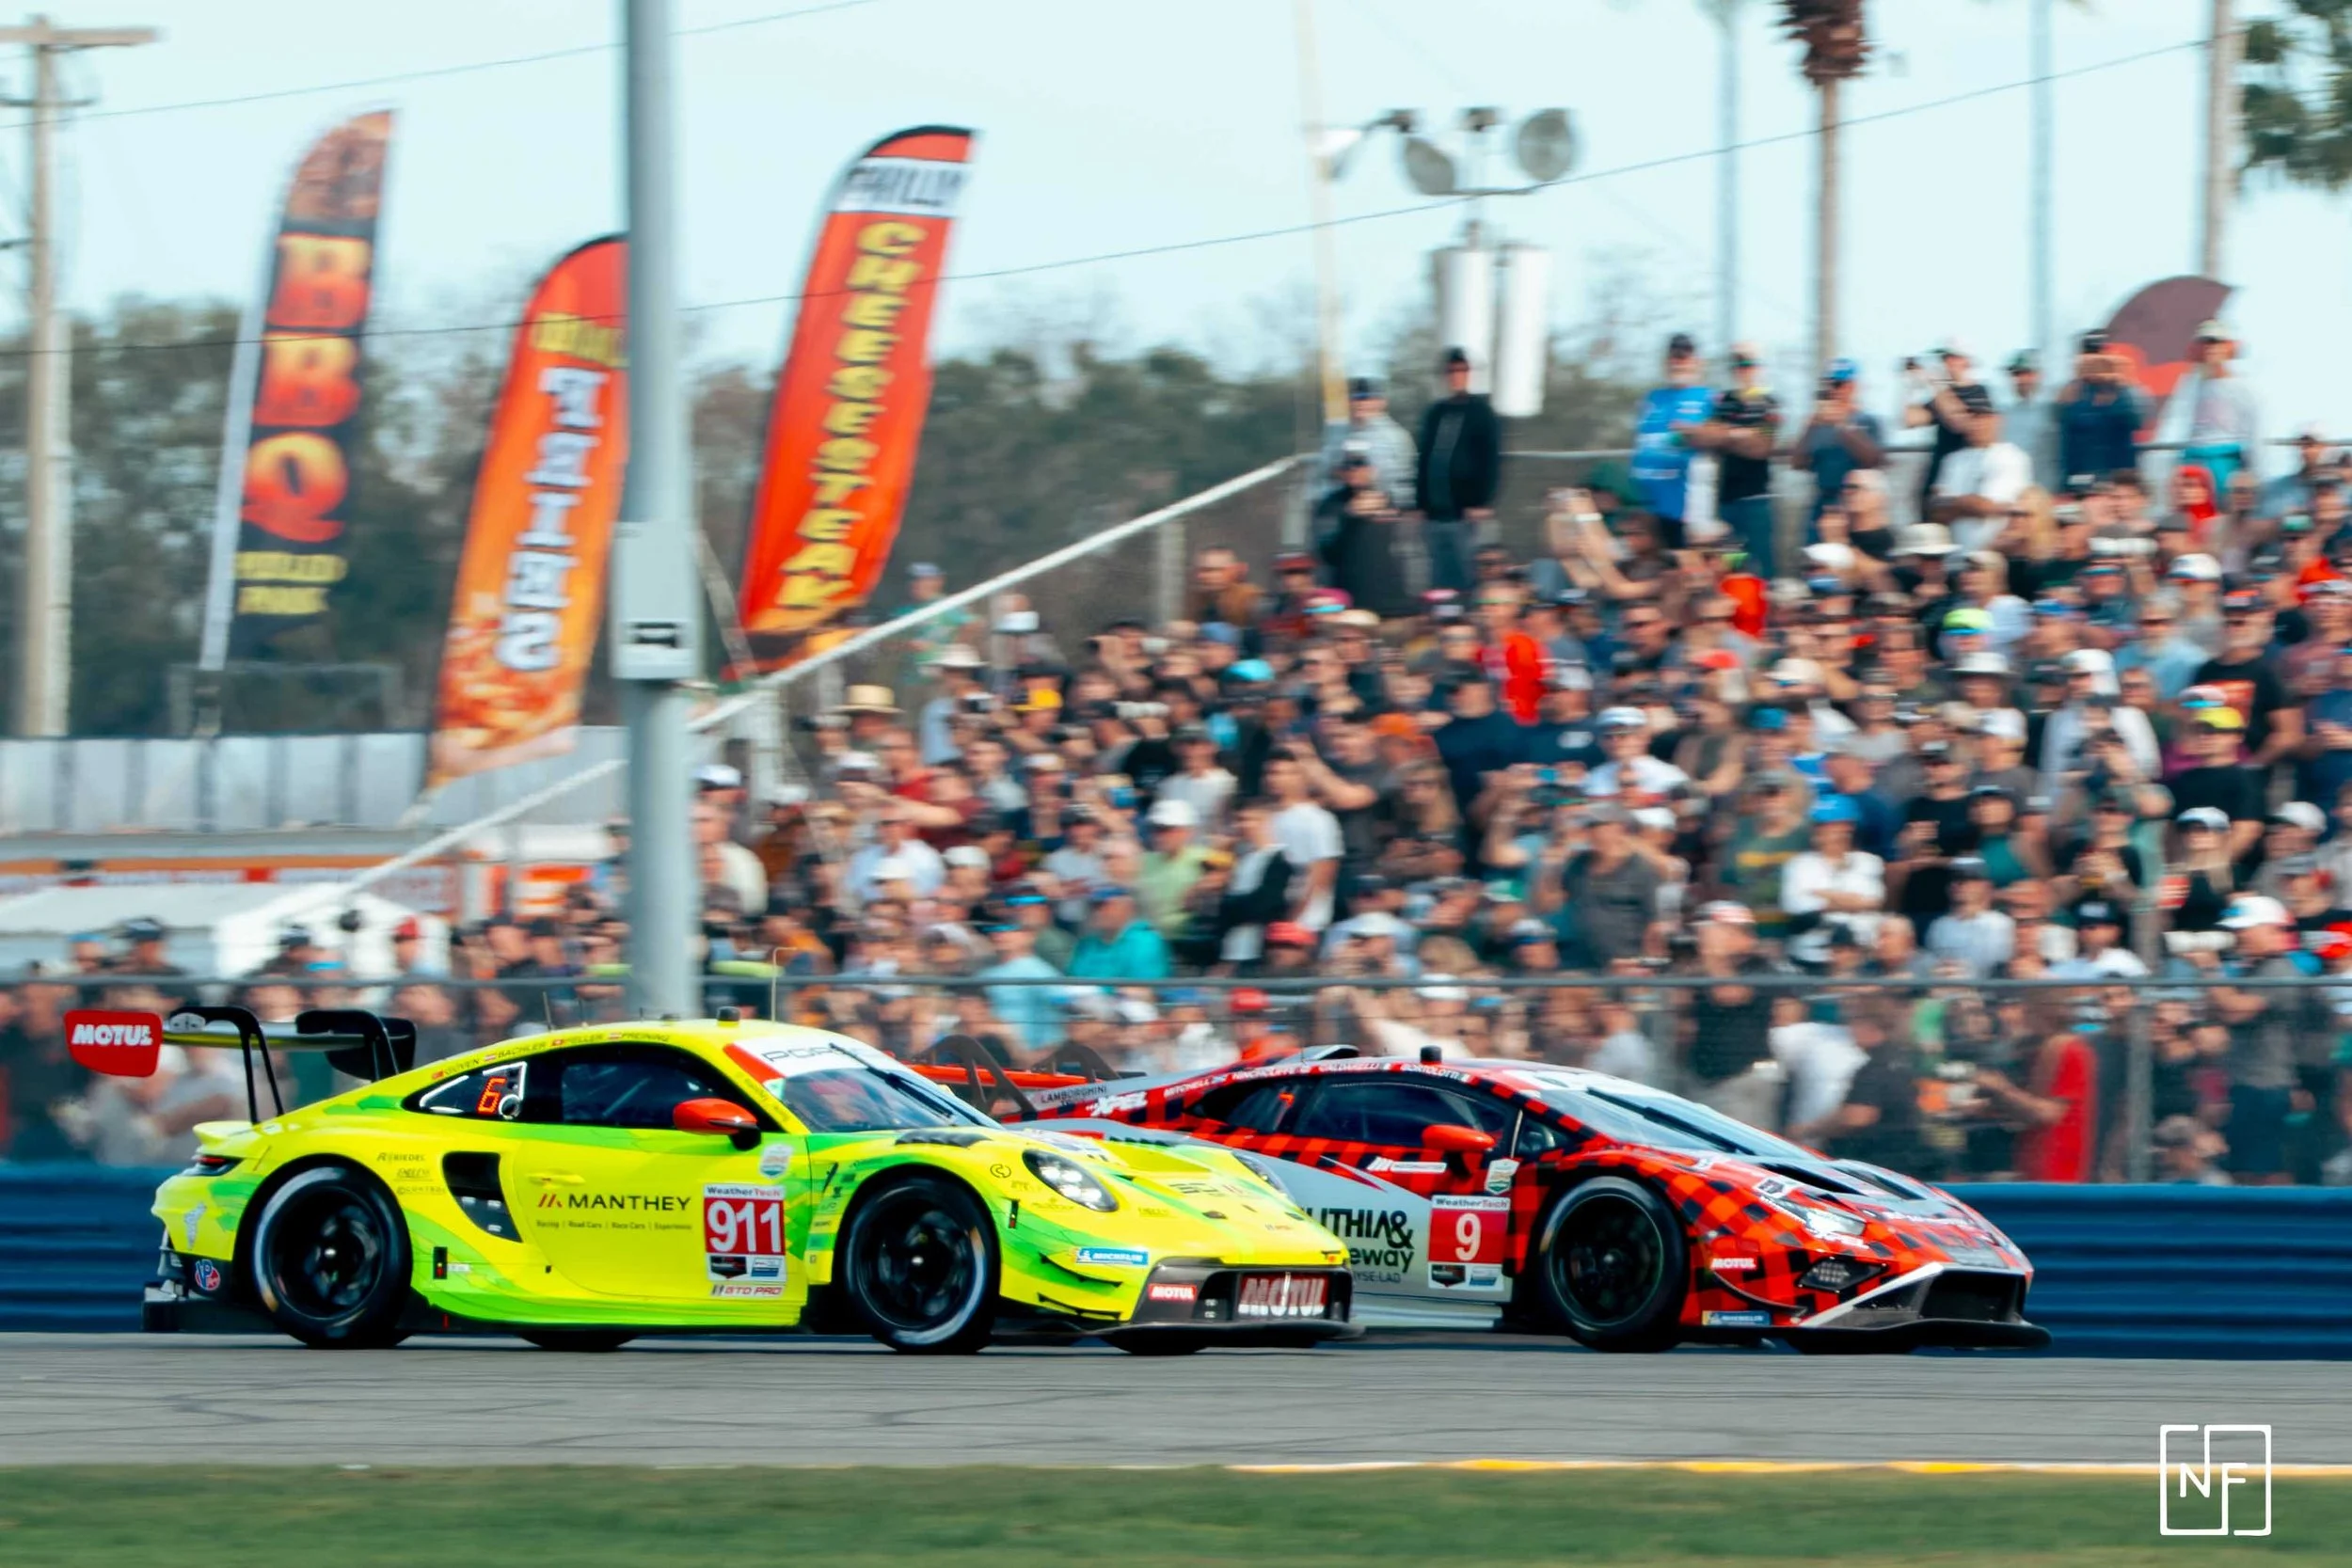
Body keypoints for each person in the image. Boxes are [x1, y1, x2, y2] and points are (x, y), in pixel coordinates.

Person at [1413, 347, 1502, 593]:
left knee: (1466, 571)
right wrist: (1420, 503)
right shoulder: (1436, 413)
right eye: (1451, 371)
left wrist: (1482, 501)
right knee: (1435, 574)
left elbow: (1490, 459)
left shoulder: (1481, 413)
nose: (1456, 376)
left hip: (1464, 513)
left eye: (1461, 370)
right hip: (1434, 513)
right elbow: (1425, 459)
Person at [1692, 342, 1782, 578]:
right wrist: (1741, 434)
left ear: (1758, 367)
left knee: (1761, 568)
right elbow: (1703, 437)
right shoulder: (1723, 401)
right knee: (1730, 565)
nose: (1742, 369)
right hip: (1726, 500)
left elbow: (1762, 447)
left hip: (1756, 500)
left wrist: (1726, 435)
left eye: (1748, 364)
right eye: (1738, 364)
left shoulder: (1768, 402)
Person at [1629, 331, 1717, 546]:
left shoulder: (1709, 398)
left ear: (1696, 362)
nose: (1678, 363)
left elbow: (1718, 440)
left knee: (1685, 562)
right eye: (1674, 357)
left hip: (1684, 501)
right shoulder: (1652, 398)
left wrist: (1697, 435)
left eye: (1684, 357)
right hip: (1647, 500)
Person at [2156, 320, 2261, 495]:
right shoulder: (2190, 385)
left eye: (2216, 342)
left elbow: (2254, 433)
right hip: (2192, 458)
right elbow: (2180, 426)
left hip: (2226, 459)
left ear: (2228, 347)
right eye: (2205, 342)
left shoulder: (2243, 388)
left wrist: (2253, 473)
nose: (2210, 348)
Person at [1316, 447, 1416, 618]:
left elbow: (1408, 548)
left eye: (1359, 465)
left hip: (1395, 604)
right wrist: (1350, 517)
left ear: (1372, 470)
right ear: (1340, 472)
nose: (1354, 471)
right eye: (1348, 467)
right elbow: (1327, 552)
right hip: (1354, 604)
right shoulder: (1331, 506)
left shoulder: (1389, 500)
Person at [1902, 340, 1996, 517]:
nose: (1946, 363)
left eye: (1952, 357)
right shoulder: (1943, 396)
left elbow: (1958, 421)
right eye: (1944, 358)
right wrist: (1909, 384)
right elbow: (1909, 419)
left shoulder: (1978, 392)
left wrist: (1936, 384)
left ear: (1966, 361)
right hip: (1937, 479)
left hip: (1963, 482)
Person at [1789, 357, 1885, 530]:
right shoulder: (1818, 424)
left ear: (1853, 386)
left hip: (1857, 500)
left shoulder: (1868, 421)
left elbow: (1874, 460)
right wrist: (1809, 428)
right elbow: (1797, 463)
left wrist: (1842, 425)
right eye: (1829, 385)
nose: (1834, 390)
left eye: (1839, 384)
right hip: (1824, 501)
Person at [2055, 331, 2148, 483]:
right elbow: (2060, 422)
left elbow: (2138, 418)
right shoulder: (2072, 392)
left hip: (2118, 478)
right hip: (2080, 478)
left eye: (2100, 355)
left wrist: (2120, 382)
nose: (2096, 362)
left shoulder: (2125, 390)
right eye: (2091, 355)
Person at [1317, 374, 1418, 510]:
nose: (1360, 403)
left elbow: (1408, 485)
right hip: (1343, 504)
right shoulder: (1337, 433)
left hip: (1384, 509)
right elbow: (1322, 473)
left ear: (1381, 402)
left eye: (1366, 398)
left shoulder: (1397, 437)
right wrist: (1344, 474)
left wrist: (1379, 491)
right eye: (1355, 398)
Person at [2003, 350, 2059, 490]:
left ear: (2039, 375)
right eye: (2017, 374)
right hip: (2012, 493)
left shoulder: (2054, 410)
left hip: (2046, 490)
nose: (2022, 380)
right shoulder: (2005, 414)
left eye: (2027, 373)